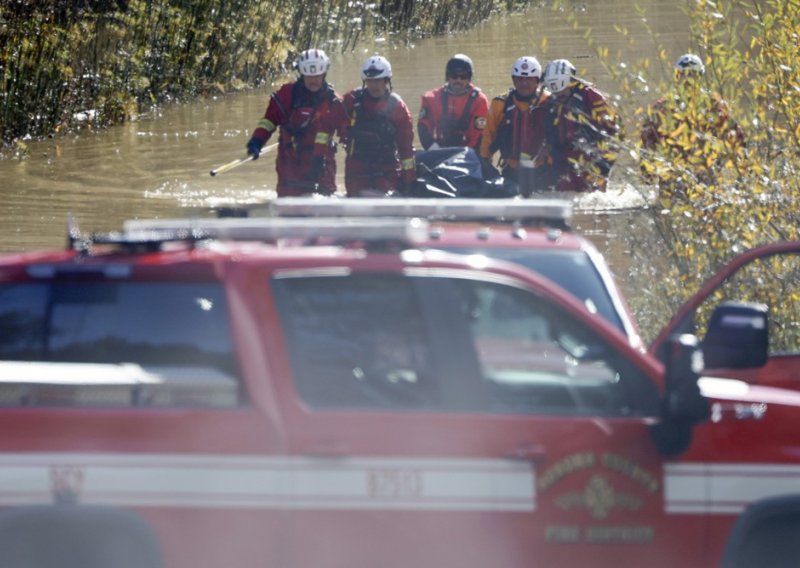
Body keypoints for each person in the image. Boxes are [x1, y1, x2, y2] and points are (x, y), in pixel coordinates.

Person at [246, 48, 347, 196]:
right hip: (290, 160)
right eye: (309, 76)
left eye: (317, 76)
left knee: (325, 202)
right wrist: (257, 141)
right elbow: (269, 121)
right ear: (302, 74)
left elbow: (346, 129)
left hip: (322, 162)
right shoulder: (287, 95)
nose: (313, 80)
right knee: (289, 199)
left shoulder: (334, 101)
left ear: (324, 74)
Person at [640, 53, 745, 187]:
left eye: (691, 76)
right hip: (674, 171)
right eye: (684, 76)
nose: (687, 80)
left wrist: (737, 169)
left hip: (704, 169)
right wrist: (648, 172)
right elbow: (647, 139)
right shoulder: (663, 106)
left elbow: (734, 136)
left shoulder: (714, 105)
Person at [327, 55, 416, 197]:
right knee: (357, 205)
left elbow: (406, 149)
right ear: (365, 81)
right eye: (370, 81)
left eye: (378, 81)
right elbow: (329, 123)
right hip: (356, 170)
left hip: (386, 170)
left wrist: (409, 181)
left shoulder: (398, 108)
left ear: (386, 80)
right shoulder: (352, 100)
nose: (374, 85)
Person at [540, 58, 621, 192]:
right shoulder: (550, 102)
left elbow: (615, 131)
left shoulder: (590, 96)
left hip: (590, 157)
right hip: (564, 159)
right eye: (556, 92)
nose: (559, 95)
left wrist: (604, 167)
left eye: (562, 91)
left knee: (592, 195)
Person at [479, 56, 552, 196]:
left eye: (529, 79)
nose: (524, 83)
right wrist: (485, 167)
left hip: (542, 170)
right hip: (512, 170)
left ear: (537, 80)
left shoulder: (549, 102)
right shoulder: (500, 104)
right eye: (520, 79)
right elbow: (488, 137)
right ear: (514, 80)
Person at [417, 54, 490, 151]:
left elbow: (479, 136)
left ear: (469, 78)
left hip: (470, 153)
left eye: (463, 77)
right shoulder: (431, 98)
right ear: (448, 77)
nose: (458, 80)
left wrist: (463, 155)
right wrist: (435, 150)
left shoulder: (480, 101)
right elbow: (423, 128)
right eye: (454, 76)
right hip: (439, 151)